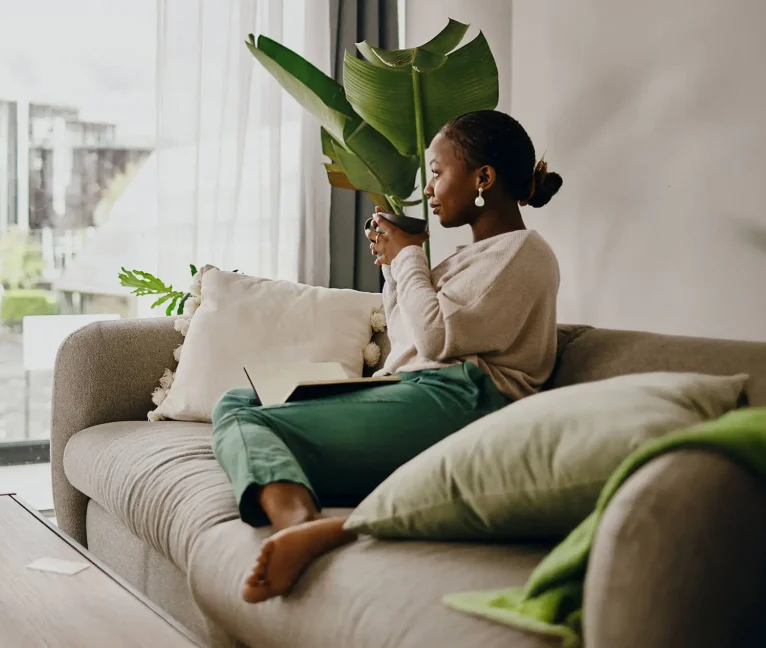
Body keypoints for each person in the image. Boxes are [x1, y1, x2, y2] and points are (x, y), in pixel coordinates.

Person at [211, 109, 563, 604]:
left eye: (438, 172)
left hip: (467, 401)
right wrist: (396, 269)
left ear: (483, 177)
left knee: (259, 425)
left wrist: (409, 258)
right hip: (419, 391)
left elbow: (439, 341)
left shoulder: (525, 254)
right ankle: (300, 510)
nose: (431, 188)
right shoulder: (468, 258)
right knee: (237, 402)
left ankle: (300, 524)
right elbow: (408, 341)